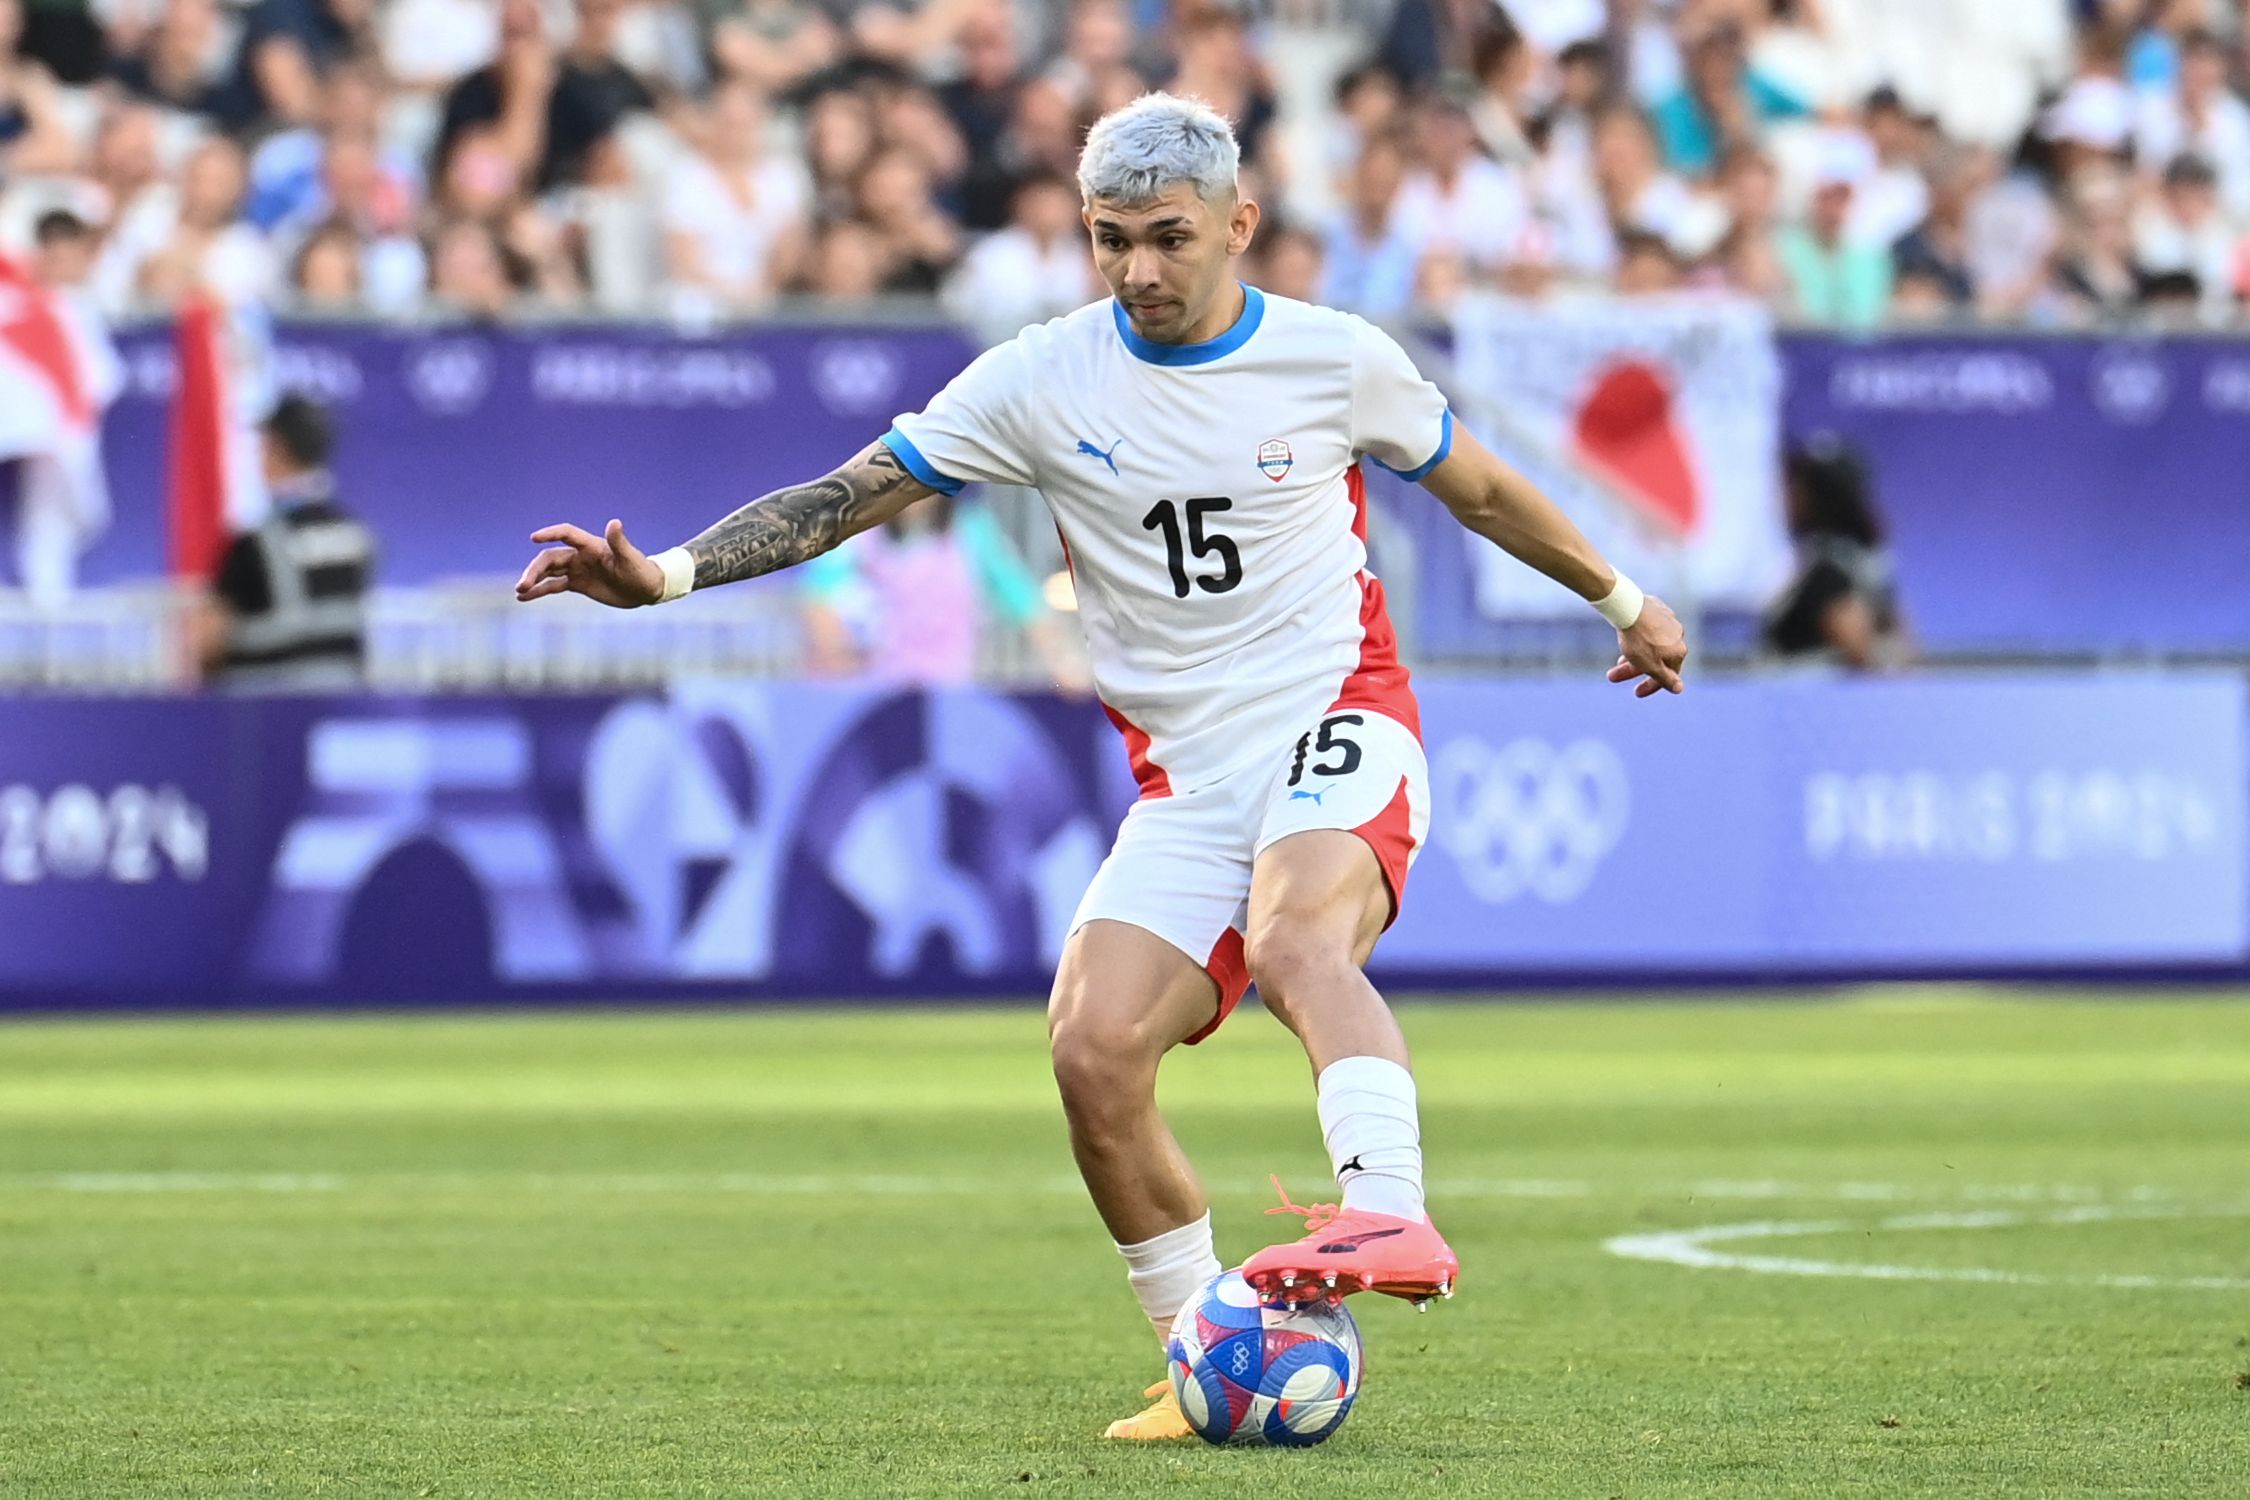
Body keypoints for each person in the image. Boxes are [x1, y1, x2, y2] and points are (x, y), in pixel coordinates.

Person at [515, 92, 1687, 1441]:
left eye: (1169, 239)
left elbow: (1476, 489)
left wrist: (1620, 598)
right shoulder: (1041, 376)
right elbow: (852, 494)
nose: (1138, 270)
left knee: (1299, 941)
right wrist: (664, 574)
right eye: (1110, 239)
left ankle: (1390, 1208)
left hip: (1337, 716)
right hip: (1188, 779)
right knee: (1089, 1050)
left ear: (1238, 226)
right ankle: (1202, 1357)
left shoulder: (1331, 359)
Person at [197, 394, 376, 689]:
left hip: (264, 707)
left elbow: (208, 638)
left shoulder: (255, 544)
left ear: (276, 448)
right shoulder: (357, 535)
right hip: (339, 700)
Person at [1762, 436, 1904, 669]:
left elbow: (1863, 653)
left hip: (1818, 701)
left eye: (1797, 488)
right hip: (1785, 697)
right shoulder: (1816, 562)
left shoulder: (1831, 574)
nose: (1788, 497)